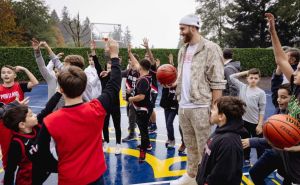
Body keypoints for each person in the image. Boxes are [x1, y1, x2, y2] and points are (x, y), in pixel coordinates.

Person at [32, 39, 121, 185]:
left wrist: (60, 167)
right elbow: (114, 85)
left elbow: (41, 156)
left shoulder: (50, 121)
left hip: (70, 178)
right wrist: (114, 55)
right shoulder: (96, 109)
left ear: (60, 90)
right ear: (84, 83)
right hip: (96, 174)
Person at [172, 14, 226, 185]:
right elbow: (183, 76)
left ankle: (205, 180)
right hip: (183, 106)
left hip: (201, 106)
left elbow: (217, 82)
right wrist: (174, 84)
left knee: (205, 149)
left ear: (193, 27)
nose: (180, 32)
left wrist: (215, 110)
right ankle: (191, 175)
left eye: (182, 28)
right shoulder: (183, 49)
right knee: (190, 146)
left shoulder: (211, 48)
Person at [266, 12, 300, 184]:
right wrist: (273, 31)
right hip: (290, 163)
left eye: (299, 69)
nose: (296, 71)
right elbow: (280, 59)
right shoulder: (296, 86)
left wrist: (298, 147)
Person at [3, 92, 61, 185]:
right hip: (27, 181)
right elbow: (10, 170)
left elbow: (47, 110)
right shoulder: (17, 143)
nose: (35, 115)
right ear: (22, 124)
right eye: (31, 115)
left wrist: (58, 93)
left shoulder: (36, 126)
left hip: (40, 175)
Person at [242, 83, 292, 185]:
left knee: (286, 180)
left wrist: (252, 141)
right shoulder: (279, 108)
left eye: (283, 97)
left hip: (288, 156)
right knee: (255, 172)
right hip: (275, 152)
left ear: (294, 99)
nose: (278, 100)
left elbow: (277, 140)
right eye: (278, 96)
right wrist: (278, 71)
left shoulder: (293, 118)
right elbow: (274, 87)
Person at [196, 96, 245, 185]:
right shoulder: (220, 131)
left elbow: (221, 176)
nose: (211, 111)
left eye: (214, 109)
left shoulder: (229, 143)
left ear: (221, 116)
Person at [0, 65, 38, 172]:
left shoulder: (20, 86)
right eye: (3, 72)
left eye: (9, 72)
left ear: (15, 75)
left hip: (21, 122)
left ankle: (27, 169)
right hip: (4, 124)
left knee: (26, 146)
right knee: (6, 149)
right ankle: (8, 174)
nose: (6, 74)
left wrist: (25, 69)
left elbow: (35, 83)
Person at [90, 41, 122, 154]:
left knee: (117, 125)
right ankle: (106, 142)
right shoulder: (102, 75)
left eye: (111, 68)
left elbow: (117, 71)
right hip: (105, 104)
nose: (109, 69)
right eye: (107, 67)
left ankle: (118, 144)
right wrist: (93, 52)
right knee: (105, 124)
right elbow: (97, 64)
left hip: (115, 104)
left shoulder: (116, 76)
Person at [230, 68, 266, 165]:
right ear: (247, 78)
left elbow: (262, 109)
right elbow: (231, 77)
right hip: (243, 121)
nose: (253, 80)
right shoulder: (242, 87)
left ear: (259, 79)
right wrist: (247, 71)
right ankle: (246, 158)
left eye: (256, 78)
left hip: (255, 122)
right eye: (251, 77)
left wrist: (260, 124)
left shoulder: (261, 92)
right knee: (245, 141)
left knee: (259, 143)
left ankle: (261, 159)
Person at [128, 58, 153, 162]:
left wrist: (131, 98)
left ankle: (142, 153)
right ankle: (148, 145)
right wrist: (133, 90)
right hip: (145, 108)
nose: (136, 66)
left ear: (141, 67)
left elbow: (142, 96)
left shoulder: (143, 79)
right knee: (144, 129)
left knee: (142, 131)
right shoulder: (146, 76)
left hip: (143, 109)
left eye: (138, 65)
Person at [159, 54, 185, 150]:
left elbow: (175, 75)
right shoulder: (167, 79)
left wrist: (172, 63)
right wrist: (171, 62)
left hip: (175, 105)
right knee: (167, 124)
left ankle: (180, 141)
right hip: (167, 105)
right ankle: (170, 139)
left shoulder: (179, 81)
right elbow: (164, 73)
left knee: (174, 124)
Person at [122, 50, 140, 142]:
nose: (130, 61)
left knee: (133, 114)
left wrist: (133, 89)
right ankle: (133, 127)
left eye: (131, 59)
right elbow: (119, 74)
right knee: (130, 113)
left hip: (139, 97)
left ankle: (132, 133)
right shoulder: (128, 71)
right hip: (131, 97)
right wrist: (109, 72)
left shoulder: (140, 72)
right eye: (129, 59)